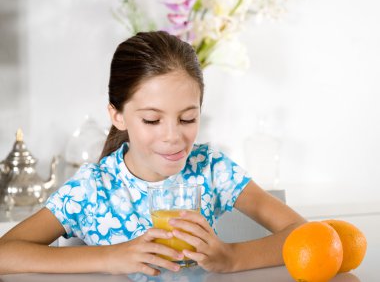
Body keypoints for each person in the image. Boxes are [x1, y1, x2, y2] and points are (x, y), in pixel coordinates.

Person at [0, 31, 306, 276]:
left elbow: (303, 233)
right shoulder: (92, 189)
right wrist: (110, 257)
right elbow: (4, 253)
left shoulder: (210, 168)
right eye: (151, 120)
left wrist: (232, 257)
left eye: (187, 118)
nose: (173, 137)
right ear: (117, 115)